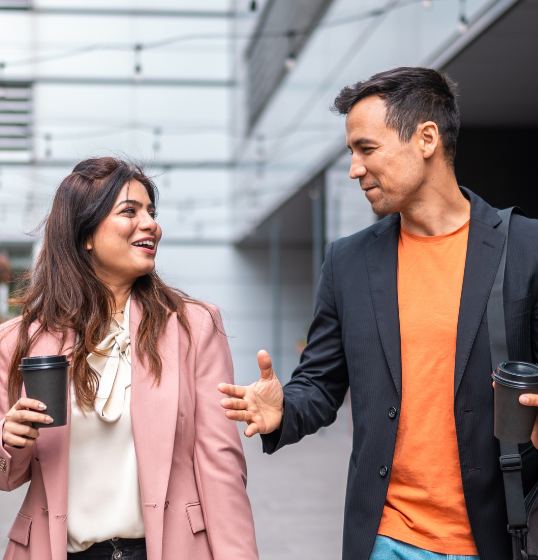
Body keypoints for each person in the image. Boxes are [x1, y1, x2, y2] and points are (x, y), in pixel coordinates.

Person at [219, 67, 538, 560]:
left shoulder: (525, 246)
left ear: (426, 138)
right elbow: (321, 385)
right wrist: (284, 409)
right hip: (386, 541)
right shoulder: (347, 262)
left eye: (366, 149)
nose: (353, 169)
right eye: (351, 152)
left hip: (501, 537)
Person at [0, 157, 258, 560]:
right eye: (130, 211)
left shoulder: (193, 326)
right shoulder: (19, 341)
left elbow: (220, 465)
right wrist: (9, 439)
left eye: (152, 212)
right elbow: (7, 476)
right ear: (84, 234)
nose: (150, 224)